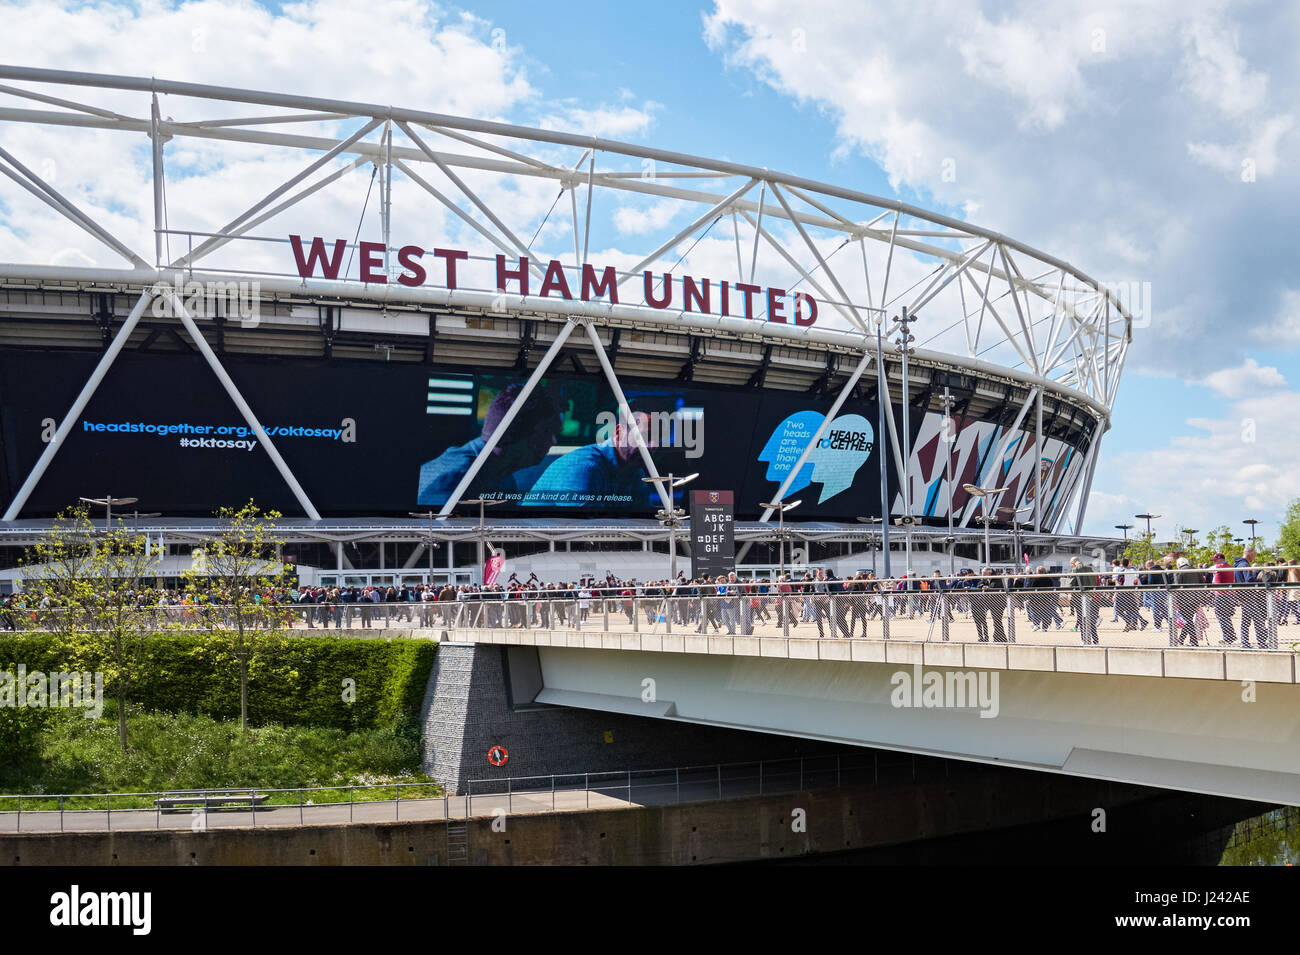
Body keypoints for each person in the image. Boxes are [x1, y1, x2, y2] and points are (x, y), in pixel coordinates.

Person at [417, 384, 561, 505]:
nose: (553, 441)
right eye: (546, 431)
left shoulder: (502, 477)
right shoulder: (454, 480)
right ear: (517, 432)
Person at [522, 408, 658, 507]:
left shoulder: (634, 469)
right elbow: (586, 530)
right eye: (646, 436)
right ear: (618, 433)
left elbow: (643, 517)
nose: (653, 446)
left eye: (658, 438)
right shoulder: (584, 468)